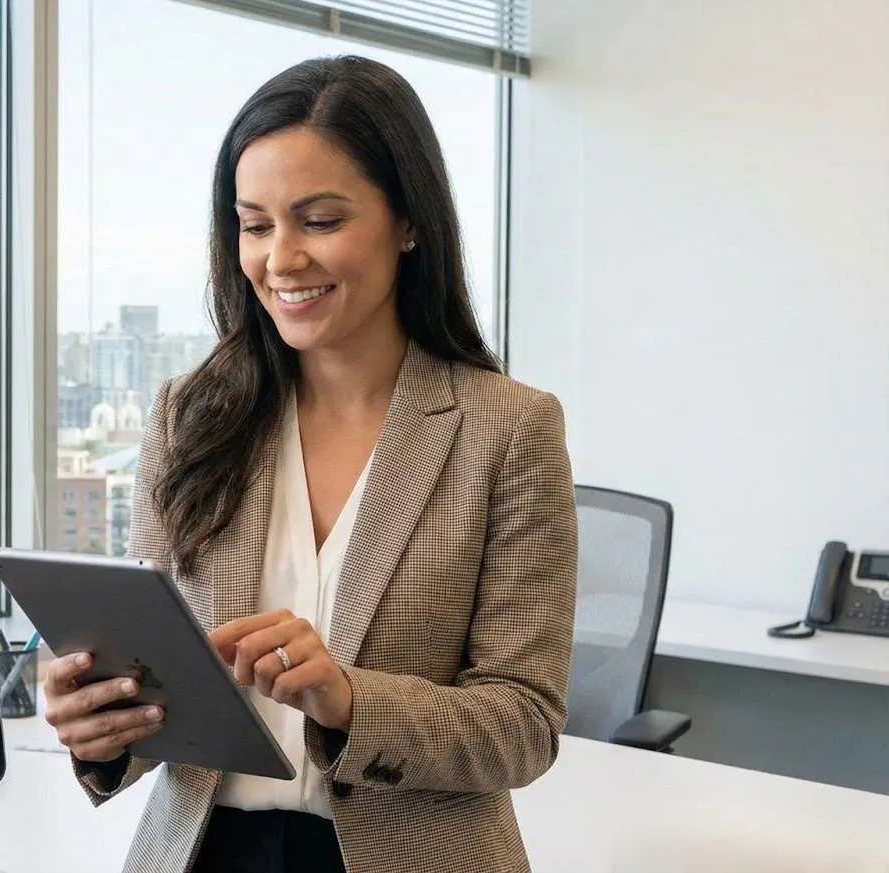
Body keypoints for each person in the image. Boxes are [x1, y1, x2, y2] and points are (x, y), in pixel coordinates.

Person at [40, 54, 579, 873]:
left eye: (319, 220)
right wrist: (105, 725)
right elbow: (162, 680)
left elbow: (526, 722)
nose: (281, 259)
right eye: (255, 225)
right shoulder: (189, 419)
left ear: (408, 221)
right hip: (201, 852)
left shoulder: (507, 429)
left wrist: (349, 698)